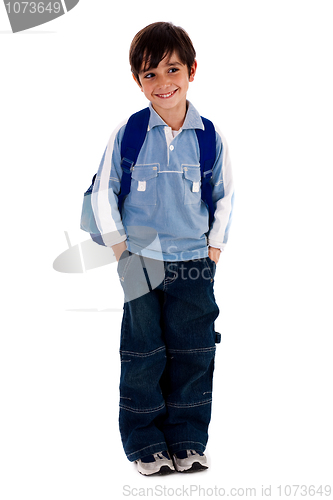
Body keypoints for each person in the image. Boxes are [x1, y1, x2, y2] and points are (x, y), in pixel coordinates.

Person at [90, 21, 234, 475]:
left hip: (194, 261)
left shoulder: (209, 136)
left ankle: (188, 439)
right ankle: (145, 443)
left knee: (194, 353)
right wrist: (119, 249)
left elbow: (224, 197)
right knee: (143, 353)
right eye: (150, 74)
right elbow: (103, 193)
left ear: (192, 70)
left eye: (172, 69)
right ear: (137, 80)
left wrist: (212, 252)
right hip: (141, 262)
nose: (163, 82)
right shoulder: (129, 133)